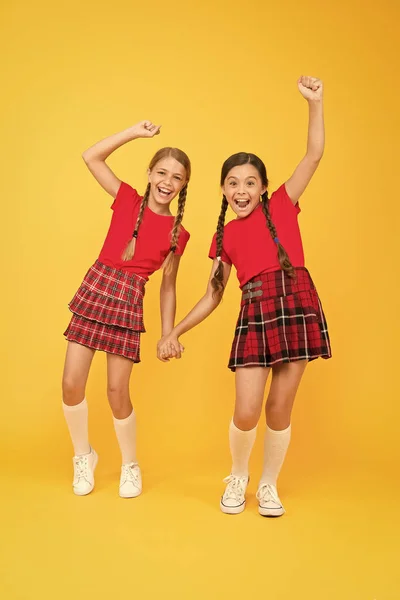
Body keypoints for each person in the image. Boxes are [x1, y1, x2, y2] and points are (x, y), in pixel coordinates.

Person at [158, 77, 331, 517]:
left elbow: (313, 155)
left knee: (278, 406)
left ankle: (268, 485)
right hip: (254, 313)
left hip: (294, 305)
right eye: (233, 183)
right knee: (247, 407)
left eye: (250, 183)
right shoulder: (224, 235)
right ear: (222, 189)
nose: (241, 191)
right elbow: (213, 295)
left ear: (263, 187)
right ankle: (238, 475)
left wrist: (315, 103)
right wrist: (174, 330)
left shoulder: (283, 205)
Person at [62, 121, 191, 498]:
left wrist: (169, 333)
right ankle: (83, 456)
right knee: (71, 384)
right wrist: (134, 133)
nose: (168, 182)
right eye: (162, 172)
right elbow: (92, 156)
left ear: (184, 186)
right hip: (98, 286)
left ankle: (130, 464)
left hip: (129, 299)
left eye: (177, 177)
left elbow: (168, 287)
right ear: (150, 174)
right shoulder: (128, 200)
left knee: (117, 390)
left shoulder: (178, 234)